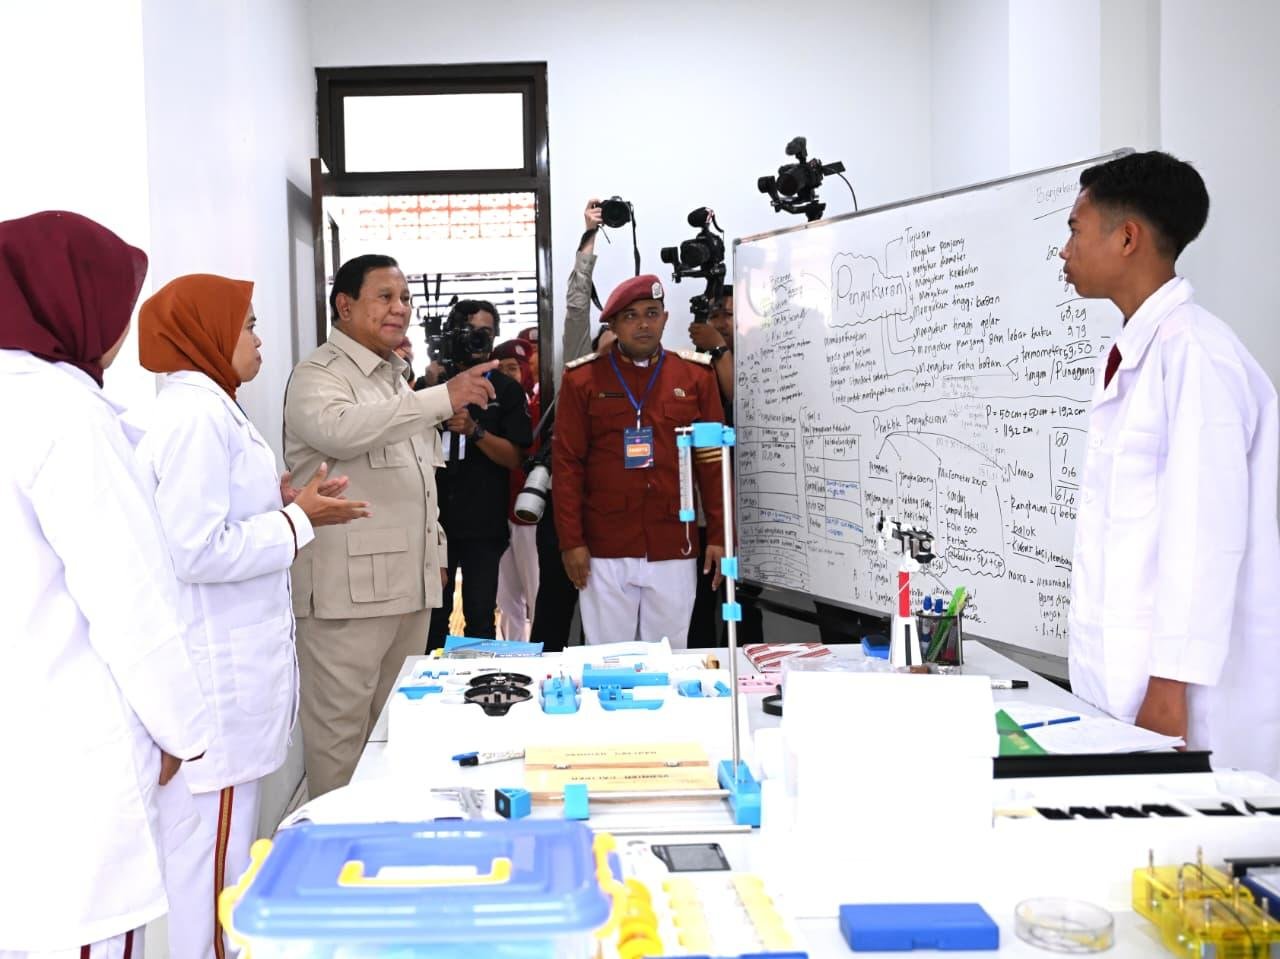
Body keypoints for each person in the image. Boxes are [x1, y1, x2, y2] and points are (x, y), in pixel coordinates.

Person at [133, 274, 368, 959]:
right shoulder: (196, 417)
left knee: (221, 868)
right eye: (248, 325)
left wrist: (283, 504)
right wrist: (298, 521)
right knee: (213, 876)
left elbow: (216, 520)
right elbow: (196, 549)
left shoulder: (214, 408)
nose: (259, 340)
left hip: (233, 679)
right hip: (218, 686)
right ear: (206, 332)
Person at [0, 211, 212, 957]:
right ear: (77, 302)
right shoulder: (61, 413)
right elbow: (131, 601)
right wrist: (182, 731)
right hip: (69, 759)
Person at [1061, 150, 1280, 777]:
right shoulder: (1139, 350)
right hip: (1119, 683)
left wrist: (1168, 688)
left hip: (1180, 703)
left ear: (1127, 238)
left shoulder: (1197, 355)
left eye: (1076, 229)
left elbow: (1205, 537)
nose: (1065, 251)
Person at [283, 254, 497, 797]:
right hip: (346, 596)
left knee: (392, 739)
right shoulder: (319, 375)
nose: (399, 308)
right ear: (344, 305)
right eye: (385, 296)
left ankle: (382, 839)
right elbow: (341, 431)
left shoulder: (394, 380)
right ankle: (334, 847)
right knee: (341, 743)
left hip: (409, 586)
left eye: (404, 298)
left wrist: (435, 555)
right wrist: (439, 398)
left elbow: (420, 477)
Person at [553, 273, 726, 647]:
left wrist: (719, 533)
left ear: (665, 318)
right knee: (607, 659)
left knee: (669, 657)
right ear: (613, 325)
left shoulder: (695, 375)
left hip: (674, 543)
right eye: (630, 316)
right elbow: (567, 466)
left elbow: (712, 462)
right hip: (604, 545)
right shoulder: (583, 380)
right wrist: (571, 542)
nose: (643, 324)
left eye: (652, 313)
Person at [426, 301, 532, 650]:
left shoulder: (506, 389)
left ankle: (479, 679)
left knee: (481, 615)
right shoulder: (431, 387)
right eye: (470, 333)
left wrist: (475, 431)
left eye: (485, 333)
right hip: (433, 523)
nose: (478, 340)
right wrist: (430, 399)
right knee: (432, 617)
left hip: (483, 520)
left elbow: (515, 457)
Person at [493, 338, 541, 641]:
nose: (508, 375)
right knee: (506, 596)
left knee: (535, 592)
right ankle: (513, 652)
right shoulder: (492, 408)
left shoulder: (537, 406)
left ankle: (539, 653)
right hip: (500, 513)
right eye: (502, 369)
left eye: (514, 368)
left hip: (528, 516)